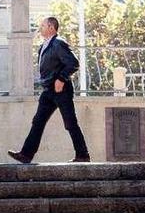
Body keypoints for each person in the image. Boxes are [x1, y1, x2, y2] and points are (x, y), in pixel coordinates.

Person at [8, 16, 90, 164]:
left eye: (43, 26)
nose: (40, 28)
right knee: (38, 121)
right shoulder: (44, 46)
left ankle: (83, 155)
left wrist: (61, 78)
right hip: (48, 91)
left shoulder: (58, 43)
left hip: (61, 90)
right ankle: (26, 155)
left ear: (51, 27)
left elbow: (73, 63)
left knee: (70, 122)